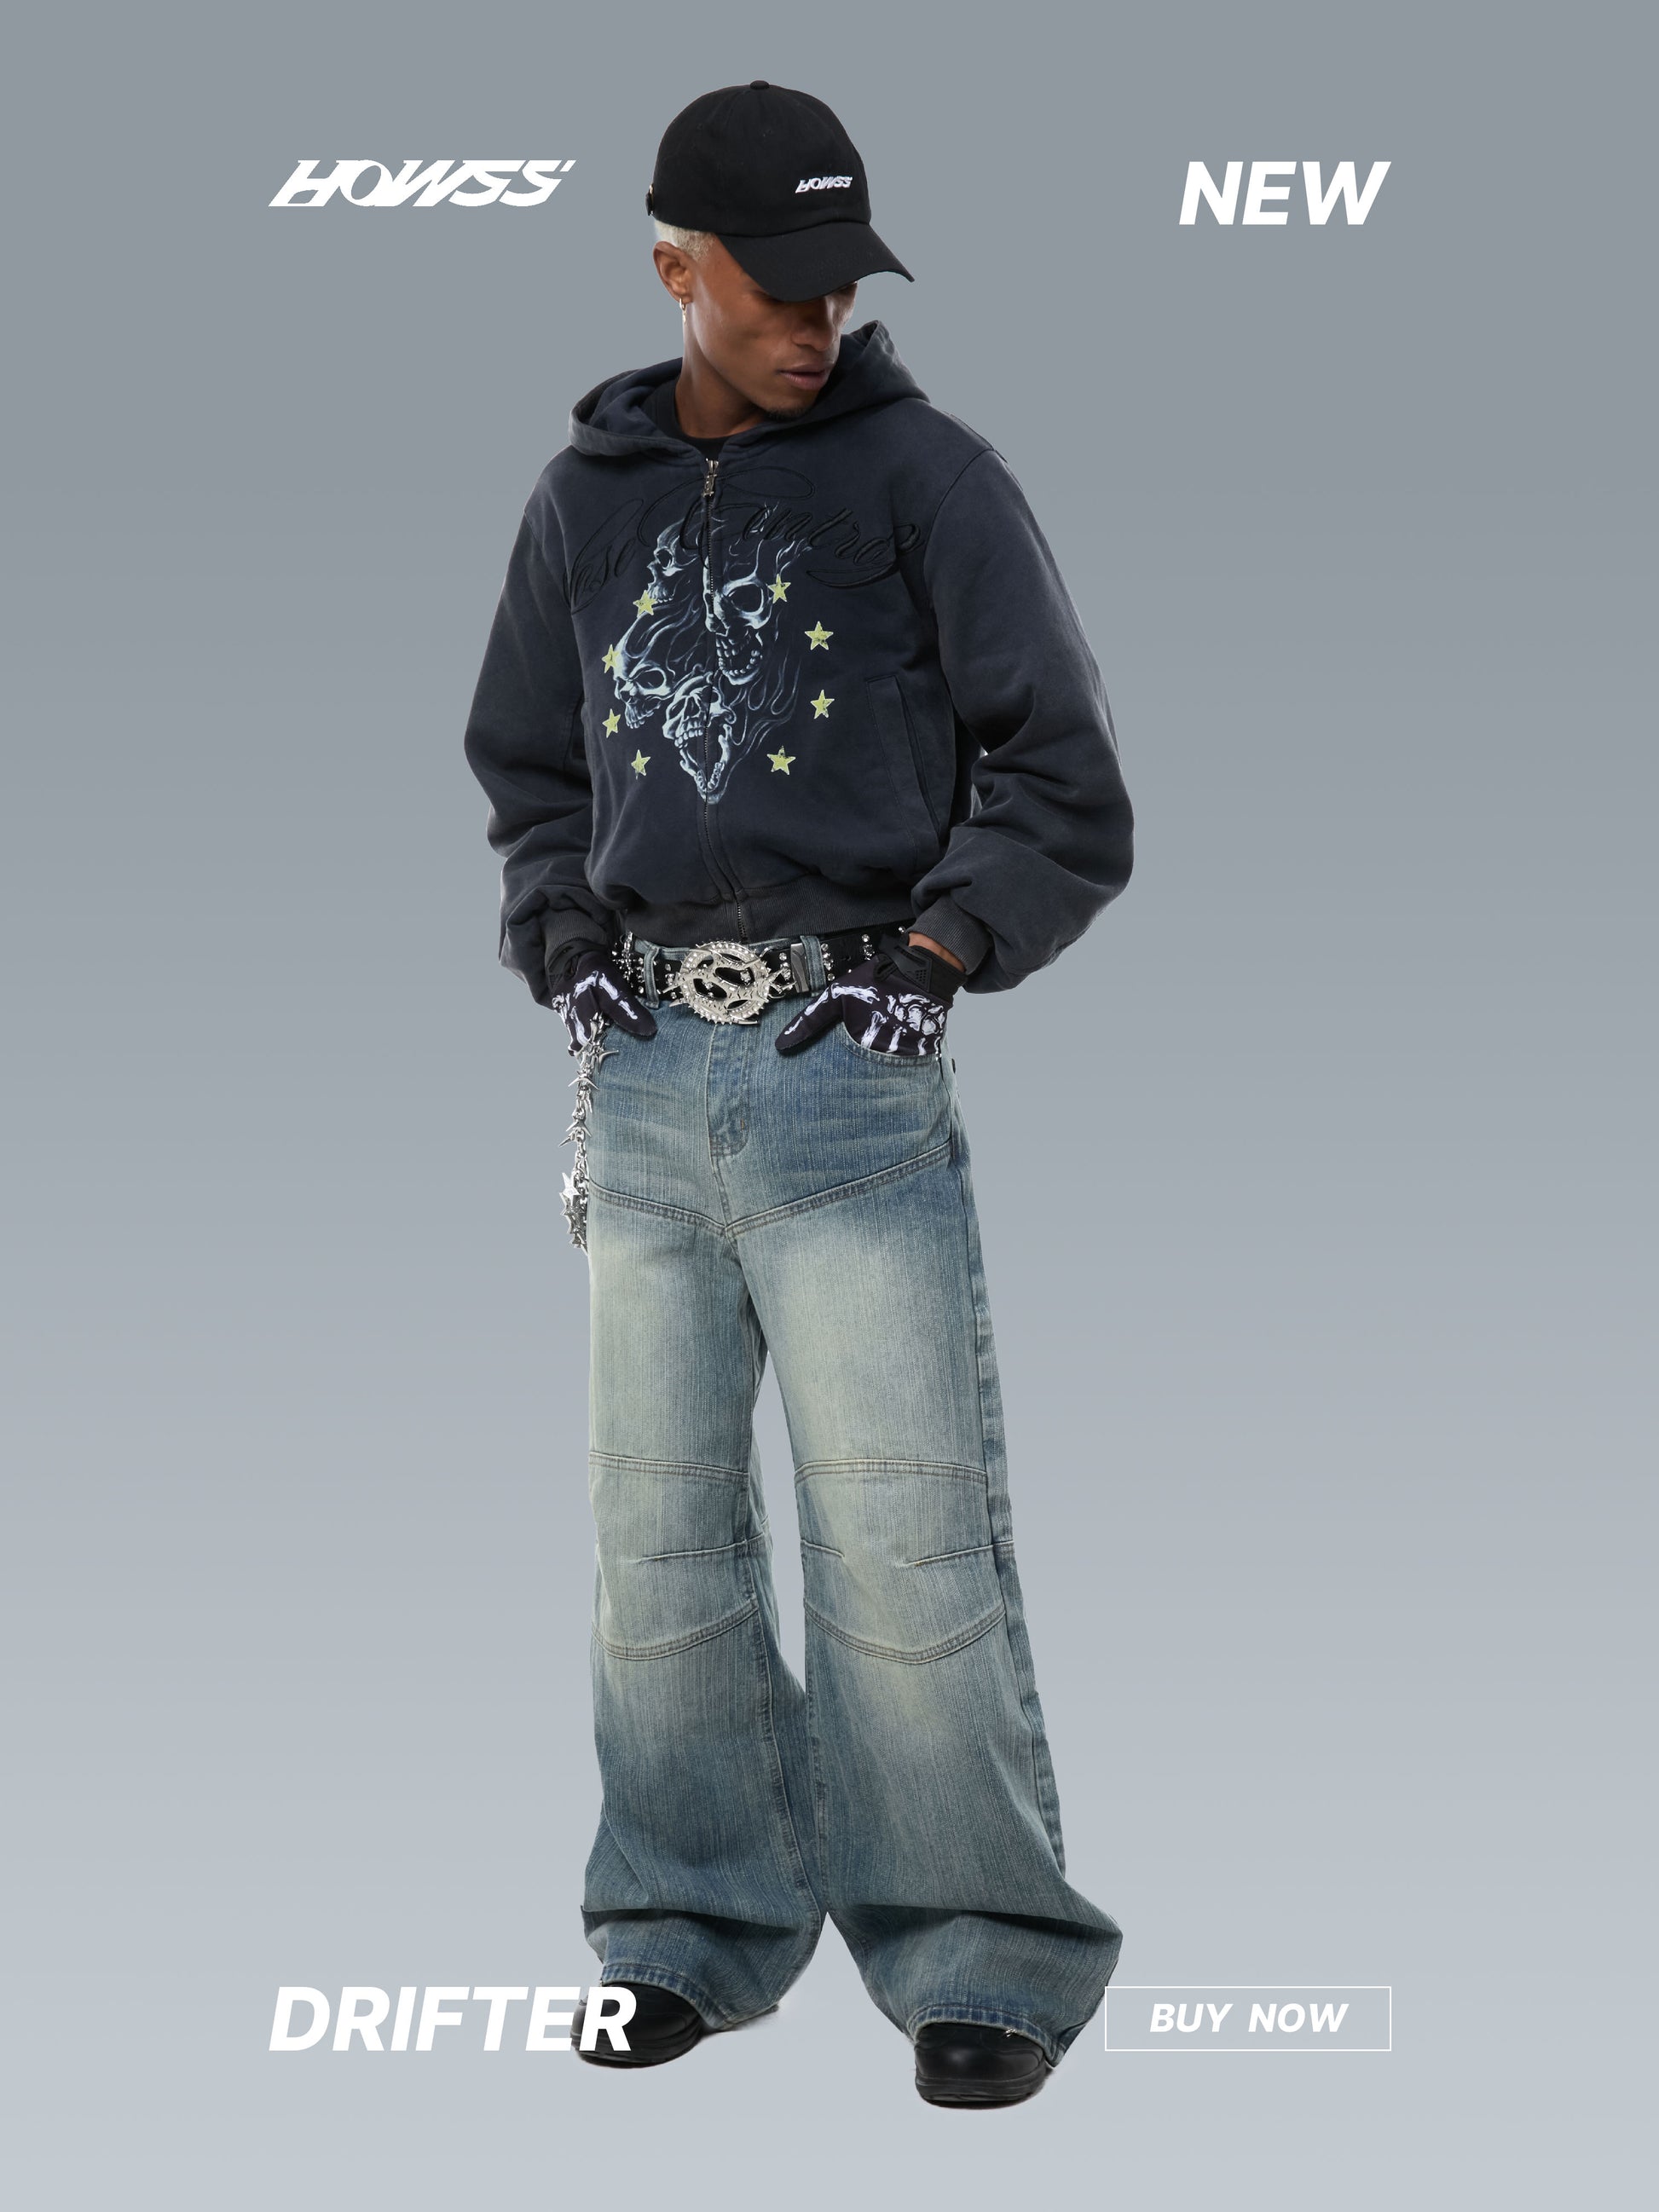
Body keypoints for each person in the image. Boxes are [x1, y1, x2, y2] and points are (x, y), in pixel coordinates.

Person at [462, 80, 1133, 2109]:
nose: (816, 319)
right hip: (643, 1072)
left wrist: (938, 955)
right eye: (777, 284)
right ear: (675, 265)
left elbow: (1063, 777)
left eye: (843, 281)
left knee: (906, 1538)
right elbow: (530, 769)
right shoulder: (578, 504)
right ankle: (682, 1922)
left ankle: (981, 1950)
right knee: (654, 1537)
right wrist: (561, 937)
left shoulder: (931, 478)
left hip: (852, 1066)